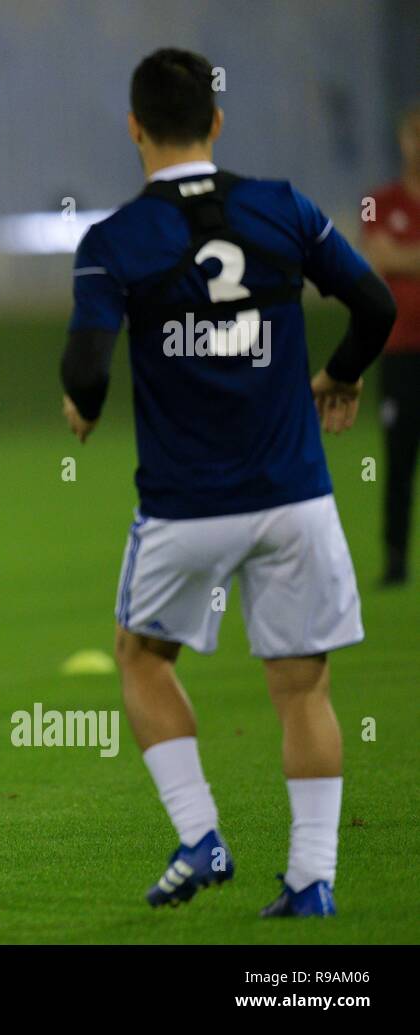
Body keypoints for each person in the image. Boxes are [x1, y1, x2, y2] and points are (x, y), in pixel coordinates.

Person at [60, 51, 396, 916]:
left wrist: (83, 407)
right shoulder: (282, 206)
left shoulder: (114, 241)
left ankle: (201, 835)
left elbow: (88, 362)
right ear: (216, 122)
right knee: (303, 688)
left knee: (141, 657)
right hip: (295, 498)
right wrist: (344, 374)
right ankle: (312, 879)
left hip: (185, 506)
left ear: (134, 127)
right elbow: (377, 307)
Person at [361, 102, 420, 586]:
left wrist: (405, 257)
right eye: (414, 133)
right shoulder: (380, 202)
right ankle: (396, 561)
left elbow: (396, 257)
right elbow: (378, 257)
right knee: (398, 459)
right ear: (402, 140)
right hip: (400, 350)